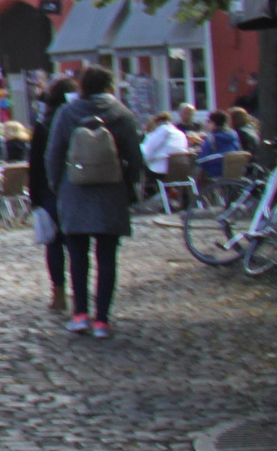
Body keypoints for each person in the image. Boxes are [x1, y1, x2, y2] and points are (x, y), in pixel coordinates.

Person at [47, 65, 143, 338]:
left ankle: (80, 315)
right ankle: (102, 319)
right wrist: (130, 187)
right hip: (111, 192)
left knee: (77, 256)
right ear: (109, 85)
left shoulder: (67, 113)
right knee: (107, 257)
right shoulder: (122, 114)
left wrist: (57, 184)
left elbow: (54, 152)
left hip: (74, 190)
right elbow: (135, 157)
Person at [26, 76, 73, 309]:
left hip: (49, 190)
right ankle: (80, 290)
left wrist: (34, 197)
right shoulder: (78, 119)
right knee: (76, 243)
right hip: (76, 187)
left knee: (53, 244)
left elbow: (34, 164)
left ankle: (59, 292)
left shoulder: (43, 125)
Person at [140, 110, 191, 211]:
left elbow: (147, 152)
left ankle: (142, 201)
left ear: (156, 123)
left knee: (139, 170)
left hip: (162, 170)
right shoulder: (180, 133)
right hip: (180, 170)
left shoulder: (162, 131)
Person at [196, 110, 243, 193]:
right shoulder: (234, 134)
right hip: (233, 169)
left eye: (208, 121)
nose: (207, 124)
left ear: (213, 123)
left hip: (216, 170)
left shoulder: (212, 137)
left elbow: (203, 157)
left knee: (196, 171)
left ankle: (197, 200)